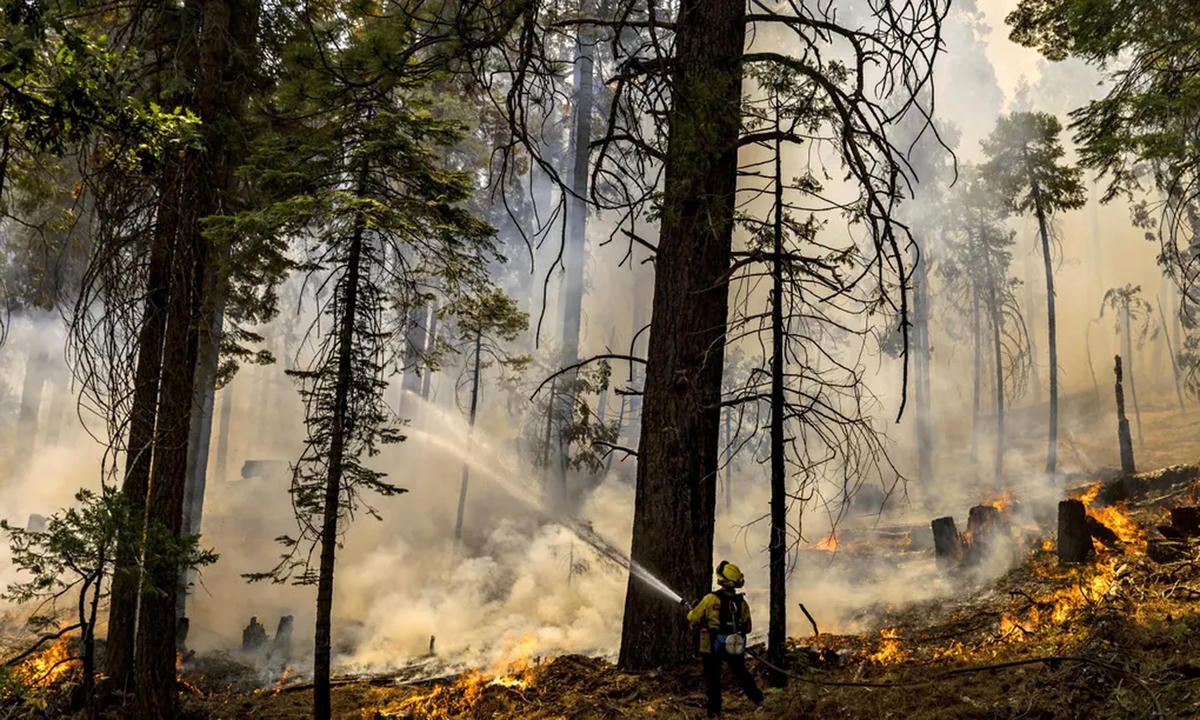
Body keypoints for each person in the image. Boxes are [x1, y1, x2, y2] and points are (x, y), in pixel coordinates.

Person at [686, 561, 764, 717]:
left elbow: (692, 616)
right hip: (734, 645)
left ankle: (714, 712)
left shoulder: (710, 599)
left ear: (722, 580)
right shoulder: (742, 602)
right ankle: (760, 700)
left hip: (712, 646)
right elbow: (747, 627)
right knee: (742, 674)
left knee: (713, 679)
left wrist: (694, 609)